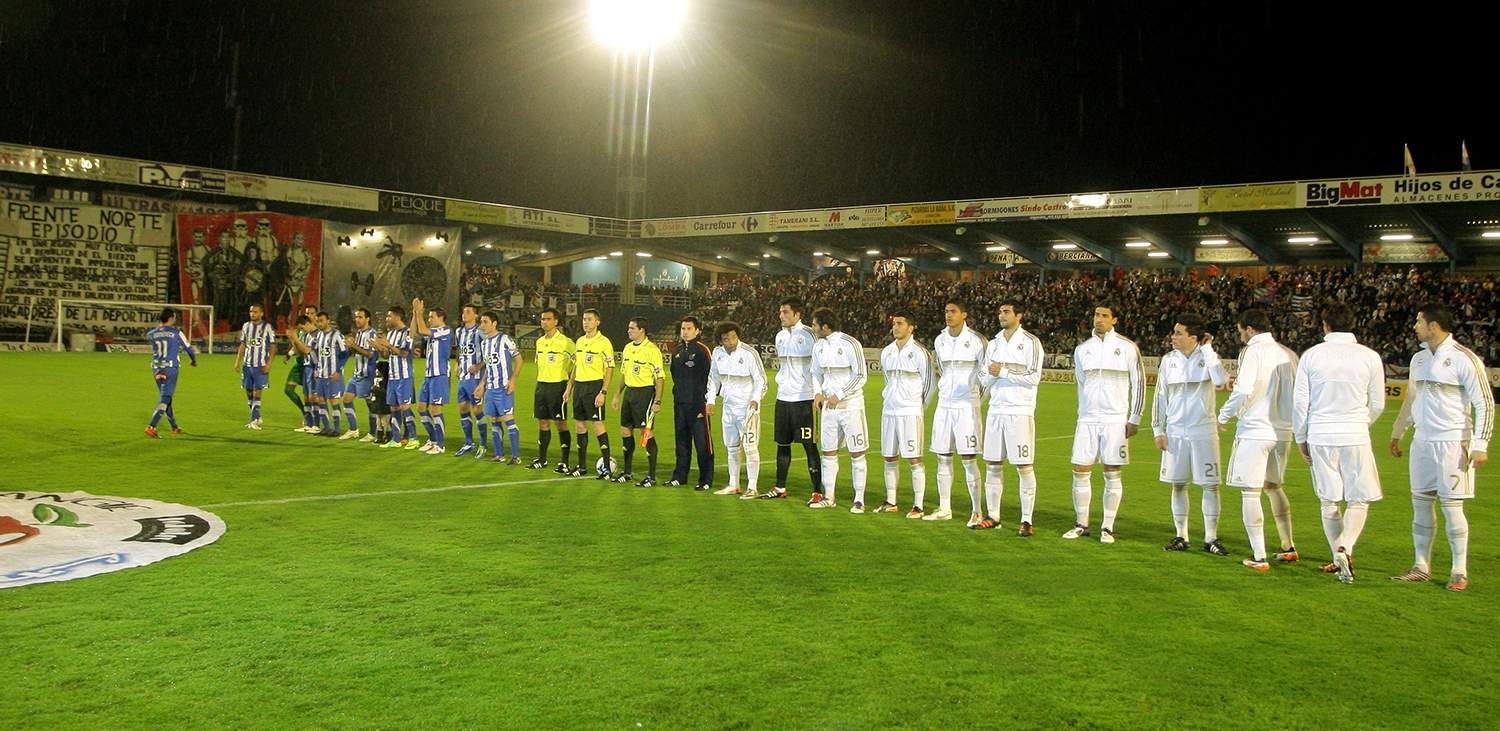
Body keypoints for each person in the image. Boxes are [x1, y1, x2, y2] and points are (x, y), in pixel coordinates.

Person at [1389, 304, 1493, 591]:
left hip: (1452, 442)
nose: (1415, 327)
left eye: (1419, 321)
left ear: (1434, 326)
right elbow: (1412, 399)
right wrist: (1398, 432)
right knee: (1420, 504)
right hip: (1422, 442)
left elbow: (1484, 403)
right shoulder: (1419, 359)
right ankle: (1421, 565)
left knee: (1452, 507)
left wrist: (1480, 444)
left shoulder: (1464, 359)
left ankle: (1459, 570)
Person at [1293, 303, 1386, 584]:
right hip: (1355, 434)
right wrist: (1359, 422)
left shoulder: (1312, 356)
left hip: (1321, 434)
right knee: (1359, 497)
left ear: (1325, 325)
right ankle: (1345, 546)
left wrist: (1301, 436)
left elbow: (1300, 402)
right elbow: (1378, 403)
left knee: (1328, 500)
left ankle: (1337, 554)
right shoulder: (1369, 357)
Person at [1218, 308, 1300, 571]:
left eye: (1241, 330)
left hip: (1255, 429)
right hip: (1283, 430)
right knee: (1273, 486)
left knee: (1250, 492)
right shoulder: (1288, 353)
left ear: (1250, 329)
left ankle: (1260, 556)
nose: (1240, 335)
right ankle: (1288, 546)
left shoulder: (1253, 350)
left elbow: (1244, 390)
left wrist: (1223, 415)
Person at [1064, 303, 1144, 544]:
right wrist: (1081, 413)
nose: (1099, 319)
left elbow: (1139, 384)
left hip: (1115, 418)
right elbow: (1080, 384)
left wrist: (1134, 417)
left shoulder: (1127, 347)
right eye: (1096, 315)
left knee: (1112, 472)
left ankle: (1107, 527)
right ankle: (1081, 524)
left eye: (1105, 316)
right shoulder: (1082, 349)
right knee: (1080, 470)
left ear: (1114, 319)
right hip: (1087, 418)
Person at [1151, 313, 1229, 555]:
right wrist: (1158, 429)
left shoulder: (1208, 358)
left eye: (1178, 333)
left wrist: (1207, 349)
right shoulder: (1168, 360)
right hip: (1175, 432)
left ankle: (1211, 538)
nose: (1173, 337)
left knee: (1210, 485)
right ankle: (1181, 535)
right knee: (1178, 484)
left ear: (1193, 337)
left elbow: (1220, 380)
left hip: (1203, 430)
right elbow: (1160, 396)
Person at [976, 301, 1044, 534]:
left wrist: (1003, 371)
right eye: (1000, 312)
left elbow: (1034, 377)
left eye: (1006, 312)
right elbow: (984, 377)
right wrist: (993, 374)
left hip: (1019, 410)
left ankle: (1027, 520)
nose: (1001, 315)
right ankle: (993, 515)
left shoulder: (1031, 342)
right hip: (996, 409)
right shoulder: (993, 343)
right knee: (993, 464)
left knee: (1023, 465)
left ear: (1019, 315)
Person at [928, 300, 988, 525]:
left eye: (953, 311)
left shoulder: (976, 340)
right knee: (942, 456)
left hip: (966, 407)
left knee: (968, 458)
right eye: (946, 311)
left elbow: (985, 375)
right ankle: (944, 508)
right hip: (944, 405)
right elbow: (942, 371)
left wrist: (973, 399)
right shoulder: (940, 340)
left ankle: (976, 510)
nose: (948, 315)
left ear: (964, 314)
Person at [808, 308, 869, 511]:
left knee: (857, 453)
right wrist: (817, 393)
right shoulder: (818, 346)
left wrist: (839, 395)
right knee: (828, 453)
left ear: (825, 326)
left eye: (815, 324)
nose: (813, 328)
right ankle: (829, 496)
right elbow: (815, 373)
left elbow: (860, 375)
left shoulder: (850, 343)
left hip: (851, 407)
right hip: (829, 409)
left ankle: (859, 499)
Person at [878, 310, 935, 517]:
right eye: (894, 323)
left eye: (900, 323)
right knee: (889, 457)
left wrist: (918, 406)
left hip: (910, 411)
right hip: (889, 410)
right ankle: (890, 500)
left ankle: (918, 505)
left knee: (914, 458)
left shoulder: (920, 352)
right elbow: (887, 380)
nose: (896, 327)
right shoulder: (887, 352)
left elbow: (929, 384)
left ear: (911, 328)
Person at [765, 298, 820, 500]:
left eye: (786, 312)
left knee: (809, 446)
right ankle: (780, 487)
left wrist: (817, 392)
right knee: (782, 444)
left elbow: (818, 365)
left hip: (804, 399)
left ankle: (817, 491)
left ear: (797, 315)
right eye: (780, 312)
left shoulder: (809, 335)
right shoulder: (780, 336)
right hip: (783, 398)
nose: (781, 316)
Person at [707, 321, 768, 497]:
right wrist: (710, 400)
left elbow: (761, 380)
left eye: (733, 337)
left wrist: (756, 399)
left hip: (747, 409)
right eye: (726, 339)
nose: (731, 341)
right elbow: (714, 379)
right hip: (728, 408)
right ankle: (733, 484)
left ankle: (753, 487)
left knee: (750, 448)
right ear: (720, 340)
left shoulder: (749, 353)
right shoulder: (717, 353)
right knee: (731, 447)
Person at [612, 317, 666, 486]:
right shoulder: (627, 348)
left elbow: (660, 378)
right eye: (629, 328)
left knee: (646, 433)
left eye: (632, 328)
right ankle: (627, 472)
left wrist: (657, 401)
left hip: (645, 394)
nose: (629, 331)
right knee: (625, 431)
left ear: (642, 330)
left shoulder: (652, 350)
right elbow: (623, 373)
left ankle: (651, 476)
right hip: (629, 393)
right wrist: (617, 394)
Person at [668, 316, 715, 490]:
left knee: (703, 444)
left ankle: (705, 480)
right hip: (680, 404)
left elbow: (713, 377)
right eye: (683, 329)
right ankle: (680, 476)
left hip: (698, 406)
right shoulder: (677, 351)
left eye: (689, 329)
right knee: (681, 442)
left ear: (697, 331)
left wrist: (707, 400)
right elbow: (674, 376)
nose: (685, 332)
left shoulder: (703, 351)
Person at [568, 309, 615, 478]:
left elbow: (610, 368)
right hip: (579, 386)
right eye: (584, 319)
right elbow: (576, 367)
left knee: (598, 425)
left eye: (589, 319)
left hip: (595, 386)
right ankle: (581, 467)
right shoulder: (579, 341)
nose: (585, 322)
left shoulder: (604, 343)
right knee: (579, 425)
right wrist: (569, 388)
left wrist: (603, 392)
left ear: (597, 322)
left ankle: (607, 468)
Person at [473, 310, 524, 464]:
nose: (482, 325)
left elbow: (519, 360)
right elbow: (489, 367)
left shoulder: (505, 339)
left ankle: (516, 456)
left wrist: (513, 380)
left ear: (494, 323)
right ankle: (499, 454)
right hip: (491, 389)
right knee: (494, 420)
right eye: (481, 322)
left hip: (504, 387)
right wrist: (482, 384)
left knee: (509, 420)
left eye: (485, 322)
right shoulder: (484, 343)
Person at [528, 308, 575, 471]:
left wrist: (569, 386)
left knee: (560, 424)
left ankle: (564, 461)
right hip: (541, 385)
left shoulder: (566, 342)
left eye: (548, 319)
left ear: (556, 322)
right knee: (542, 422)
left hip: (558, 386)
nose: (544, 322)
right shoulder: (539, 342)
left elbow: (576, 365)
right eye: (542, 319)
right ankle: (542, 459)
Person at [144, 309, 197, 438]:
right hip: (170, 368)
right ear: (171, 318)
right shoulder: (176, 333)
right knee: (166, 397)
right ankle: (151, 426)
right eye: (174, 317)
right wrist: (193, 361)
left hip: (156, 368)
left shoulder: (151, 334)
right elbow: (188, 348)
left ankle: (174, 426)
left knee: (166, 397)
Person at [411, 298, 452, 454]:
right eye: (428, 317)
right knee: (421, 408)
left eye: (431, 317)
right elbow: (414, 332)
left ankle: (440, 445)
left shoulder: (446, 330)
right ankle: (433, 439)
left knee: (436, 409)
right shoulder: (432, 333)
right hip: (429, 375)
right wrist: (415, 313)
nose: (429, 320)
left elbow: (422, 330)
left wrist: (419, 313)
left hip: (440, 375)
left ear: (440, 318)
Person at [374, 305, 417, 449]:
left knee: (405, 406)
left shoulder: (407, 332)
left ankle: (413, 438)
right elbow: (387, 355)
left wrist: (389, 346)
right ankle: (396, 439)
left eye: (389, 316)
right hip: (392, 376)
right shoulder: (391, 333)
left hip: (404, 376)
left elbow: (405, 353)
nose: (387, 319)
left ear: (397, 317)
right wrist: (379, 347)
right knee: (394, 407)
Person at [451, 305, 487, 457]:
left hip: (476, 379)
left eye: (468, 312)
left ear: (476, 315)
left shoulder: (480, 332)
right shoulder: (459, 331)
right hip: (463, 379)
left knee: (477, 410)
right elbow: (459, 350)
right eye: (463, 311)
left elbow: (489, 352)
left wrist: (478, 366)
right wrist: (458, 363)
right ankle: (468, 443)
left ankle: (483, 445)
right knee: (463, 409)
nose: (464, 314)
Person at [234, 303, 275, 430]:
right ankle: (257, 417)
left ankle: (253, 420)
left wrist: (268, 364)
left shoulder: (267, 327)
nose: (252, 314)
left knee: (258, 392)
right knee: (249, 392)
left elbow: (273, 347)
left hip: (260, 365)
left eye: (255, 312)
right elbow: (243, 344)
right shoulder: (246, 326)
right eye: (251, 311)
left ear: (261, 313)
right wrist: (237, 361)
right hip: (247, 365)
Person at [341, 308, 379, 441]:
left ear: (367, 319)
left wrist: (354, 346)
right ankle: (353, 430)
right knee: (346, 400)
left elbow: (371, 354)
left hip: (367, 375)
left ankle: (373, 433)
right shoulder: (359, 333)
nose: (357, 319)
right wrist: (349, 346)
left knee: (371, 404)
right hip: (356, 374)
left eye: (360, 317)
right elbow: (358, 351)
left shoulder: (372, 334)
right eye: (356, 317)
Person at [283, 304, 318, 432]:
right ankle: (306, 415)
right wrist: (289, 354)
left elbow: (306, 349)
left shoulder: (316, 332)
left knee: (311, 395)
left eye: (311, 313)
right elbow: (297, 346)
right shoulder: (302, 331)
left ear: (316, 316)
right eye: (307, 313)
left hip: (310, 366)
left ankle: (313, 422)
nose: (308, 315)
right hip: (299, 364)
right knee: (288, 390)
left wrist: (295, 340)